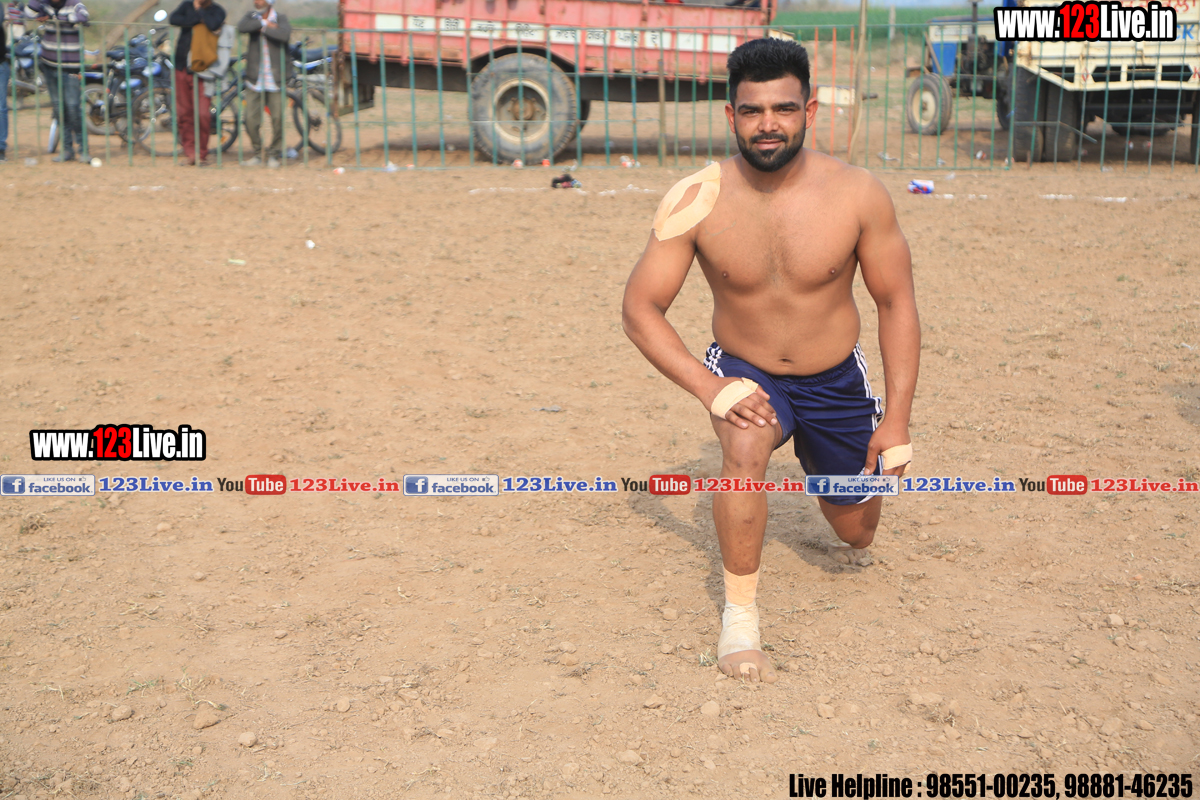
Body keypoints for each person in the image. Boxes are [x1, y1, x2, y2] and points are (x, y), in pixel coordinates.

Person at [622, 37, 919, 684]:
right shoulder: (697, 197)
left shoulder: (858, 194)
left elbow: (896, 304)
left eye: (783, 109)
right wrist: (709, 387)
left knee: (857, 531)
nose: (768, 125)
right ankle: (740, 619)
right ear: (731, 116)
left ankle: (840, 480)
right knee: (744, 445)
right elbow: (640, 308)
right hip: (745, 369)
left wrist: (896, 420)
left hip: (835, 380)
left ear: (808, 110)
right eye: (752, 111)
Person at [25, 0, 88, 162]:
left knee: (73, 108)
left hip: (70, 66)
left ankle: (83, 150)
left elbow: (83, 16)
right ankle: (67, 150)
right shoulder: (45, 5)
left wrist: (57, 19)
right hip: (49, 64)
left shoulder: (74, 4)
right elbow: (28, 12)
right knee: (59, 109)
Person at [170, 0, 225, 165]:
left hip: (204, 71)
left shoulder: (217, 10)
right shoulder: (186, 5)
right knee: (184, 113)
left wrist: (199, 11)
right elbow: (174, 19)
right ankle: (190, 153)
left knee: (203, 114)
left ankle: (201, 153)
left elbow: (213, 23)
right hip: (181, 66)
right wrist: (197, 18)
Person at [236, 0, 290, 167]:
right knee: (250, 120)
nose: (256, 2)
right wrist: (264, 23)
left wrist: (263, 29)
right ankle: (258, 153)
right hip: (255, 78)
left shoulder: (281, 18)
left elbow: (284, 35)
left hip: (275, 78)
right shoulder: (251, 16)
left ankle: (274, 154)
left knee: (277, 119)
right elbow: (242, 27)